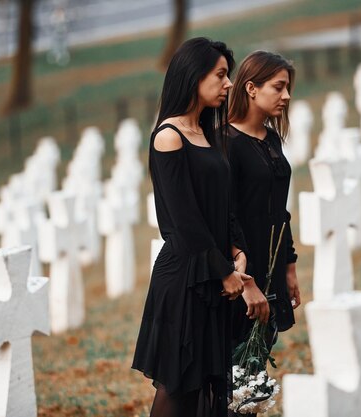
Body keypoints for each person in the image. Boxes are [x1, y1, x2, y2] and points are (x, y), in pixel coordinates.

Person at [131, 37, 252, 417]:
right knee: (179, 386)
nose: (228, 84)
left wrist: (238, 250)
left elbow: (224, 204)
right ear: (193, 76)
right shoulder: (169, 137)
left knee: (211, 385)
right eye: (220, 75)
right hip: (185, 278)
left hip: (215, 271)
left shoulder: (208, 132)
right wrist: (224, 273)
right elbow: (185, 222)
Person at [227, 52, 302, 415]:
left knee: (254, 371)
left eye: (288, 87)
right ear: (251, 88)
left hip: (272, 270)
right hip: (242, 275)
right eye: (279, 87)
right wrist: (247, 282)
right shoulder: (226, 143)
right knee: (234, 373)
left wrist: (289, 265)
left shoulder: (272, 139)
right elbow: (226, 219)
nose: (286, 96)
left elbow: (279, 211)